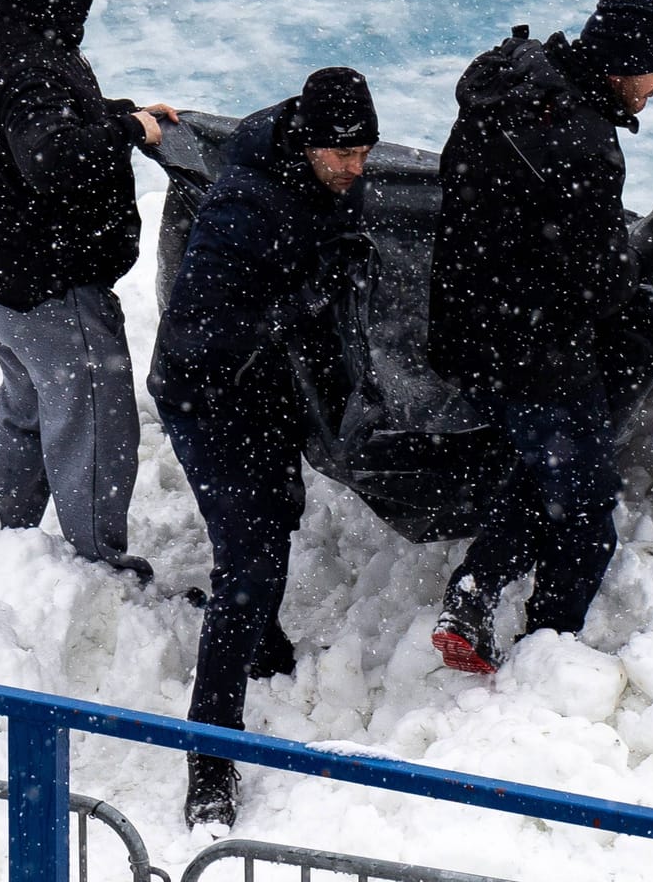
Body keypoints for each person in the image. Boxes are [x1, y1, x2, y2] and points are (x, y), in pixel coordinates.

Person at [425, 0, 653, 674]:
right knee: (585, 516)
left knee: (548, 472)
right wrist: (642, 269)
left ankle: (474, 594)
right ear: (623, 65)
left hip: (462, 323)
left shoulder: (507, 78)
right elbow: (599, 285)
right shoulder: (586, 144)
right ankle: (545, 659)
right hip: (533, 345)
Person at [147, 67, 379, 829]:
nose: (354, 168)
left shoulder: (304, 156)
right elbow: (206, 331)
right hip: (204, 393)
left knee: (279, 512)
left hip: (260, 385)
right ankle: (209, 755)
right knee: (247, 562)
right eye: (339, 155)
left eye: (364, 151)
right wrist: (305, 296)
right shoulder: (246, 211)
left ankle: (259, 641)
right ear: (307, 142)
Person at [0, 0, 177, 575]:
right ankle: (98, 567)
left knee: (31, 405)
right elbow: (48, 156)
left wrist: (116, 114)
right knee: (95, 422)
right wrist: (127, 133)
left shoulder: (1, 34)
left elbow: (34, 127)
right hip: (44, 285)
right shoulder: (34, 63)